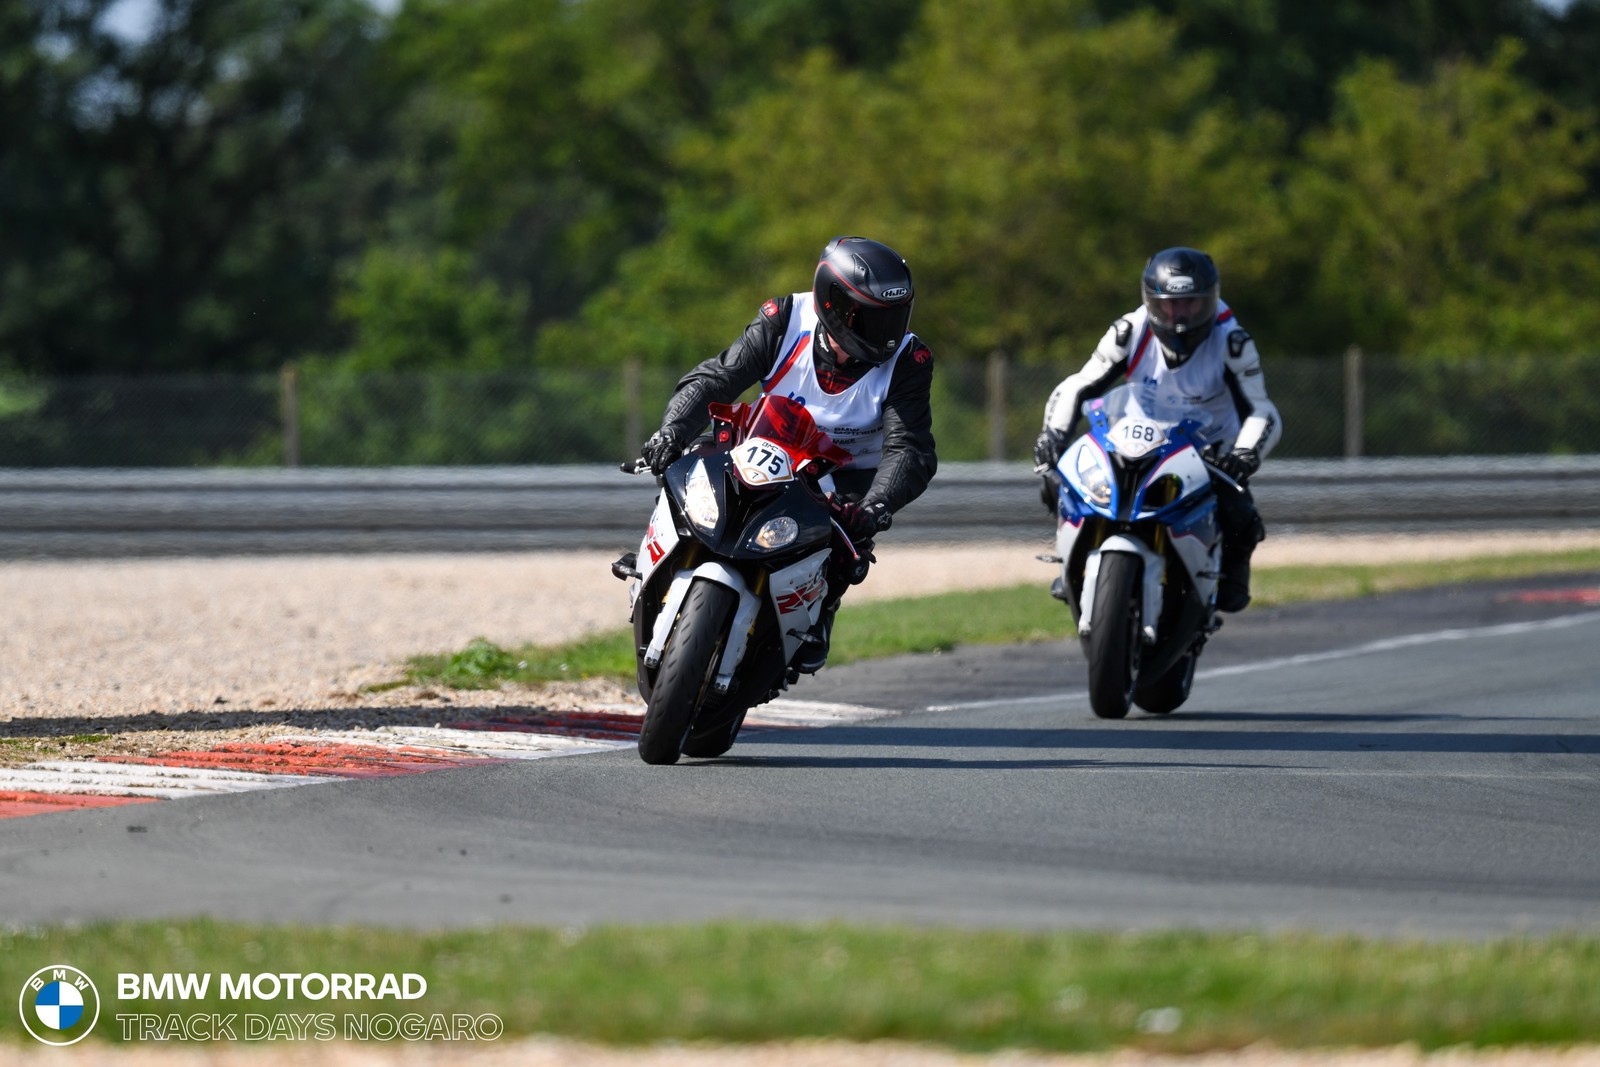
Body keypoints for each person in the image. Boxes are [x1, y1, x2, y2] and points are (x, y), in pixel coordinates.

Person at [639, 236, 937, 670]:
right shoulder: (783, 319)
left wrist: (875, 506)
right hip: (763, 441)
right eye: (870, 320)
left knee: (849, 545)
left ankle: (816, 615)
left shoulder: (910, 359)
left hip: (846, 472)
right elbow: (715, 380)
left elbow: (908, 444)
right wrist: (669, 431)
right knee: (690, 465)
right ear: (831, 303)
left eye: (893, 319)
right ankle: (656, 556)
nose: (885, 334)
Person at [1032, 246, 1282, 613]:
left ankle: (1232, 573)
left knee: (1239, 509)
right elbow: (1080, 385)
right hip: (1133, 438)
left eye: (1191, 305)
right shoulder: (1129, 331)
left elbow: (1262, 410)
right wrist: (1052, 434)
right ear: (1150, 301)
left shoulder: (1232, 341)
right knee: (1057, 478)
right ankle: (1074, 560)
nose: (1179, 316)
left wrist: (1243, 456)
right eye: (1169, 305)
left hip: (1208, 448)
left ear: (1211, 301)